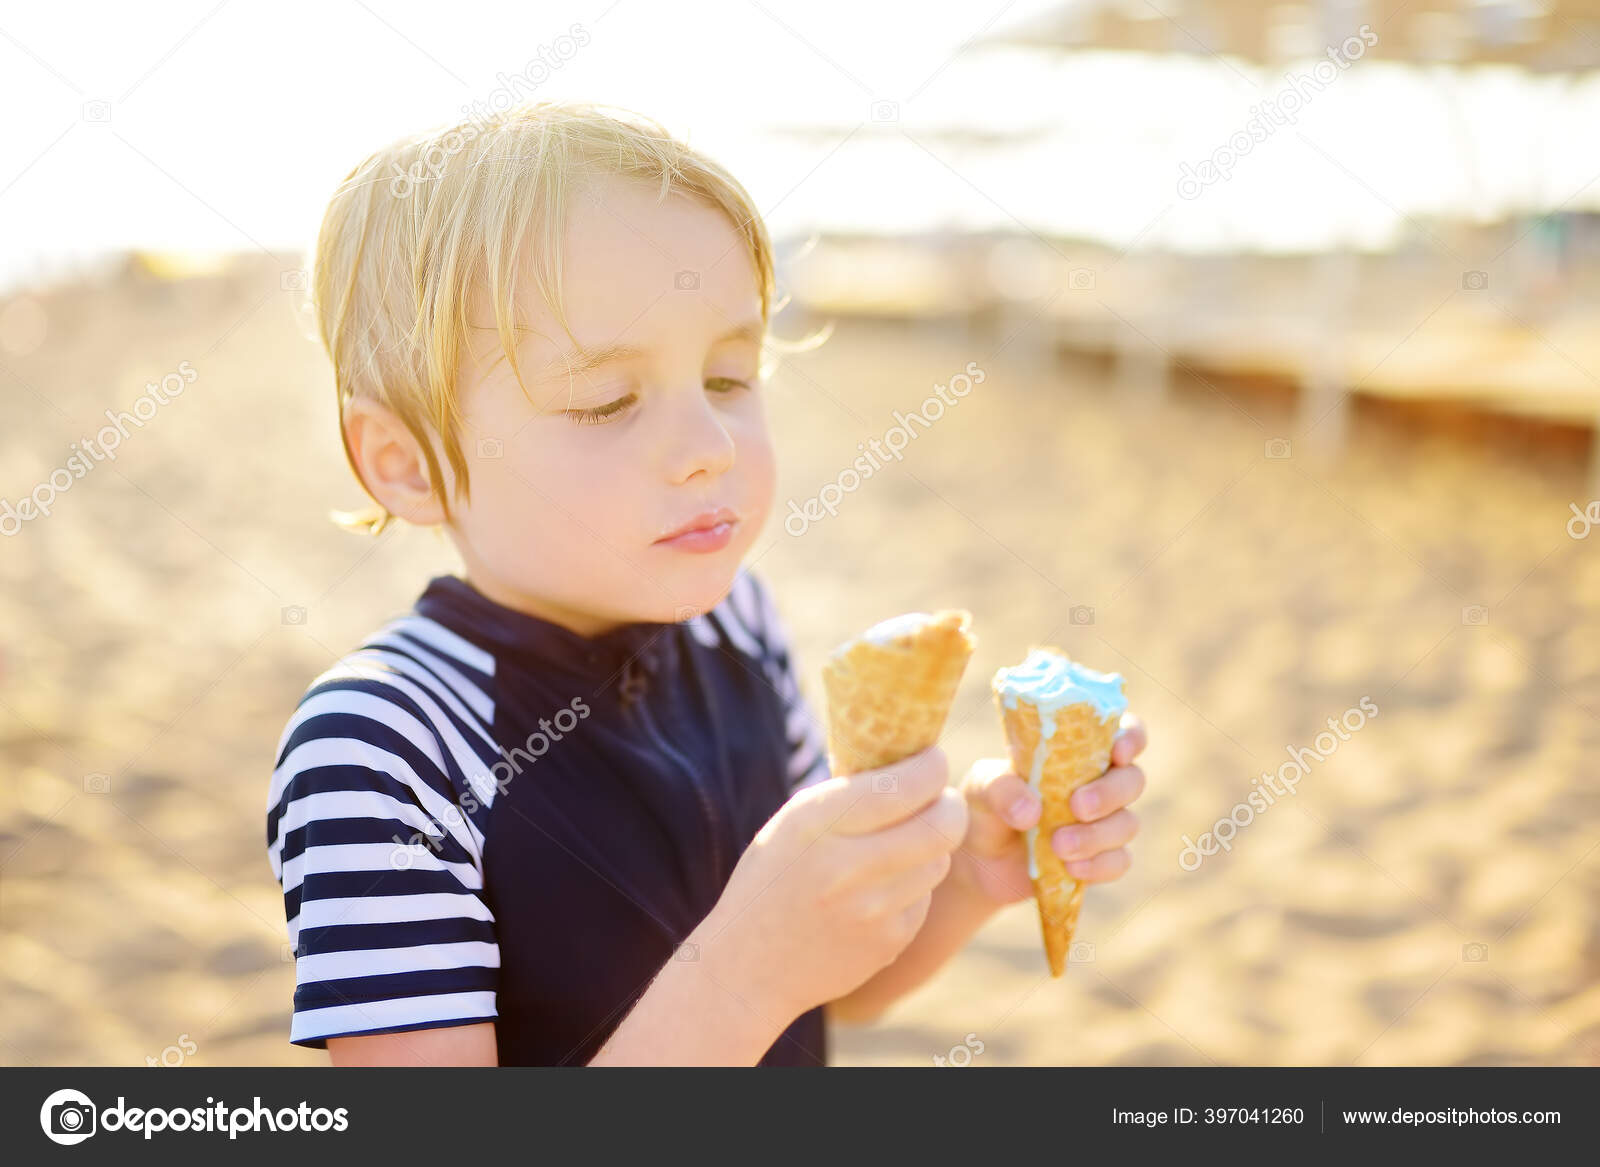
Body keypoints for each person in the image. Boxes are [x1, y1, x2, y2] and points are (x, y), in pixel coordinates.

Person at [265, 101, 1148, 1066]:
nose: (708, 447)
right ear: (407, 463)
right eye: (607, 402)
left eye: (729, 377)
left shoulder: (743, 625)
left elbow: (838, 989)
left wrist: (970, 871)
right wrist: (742, 973)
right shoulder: (383, 747)